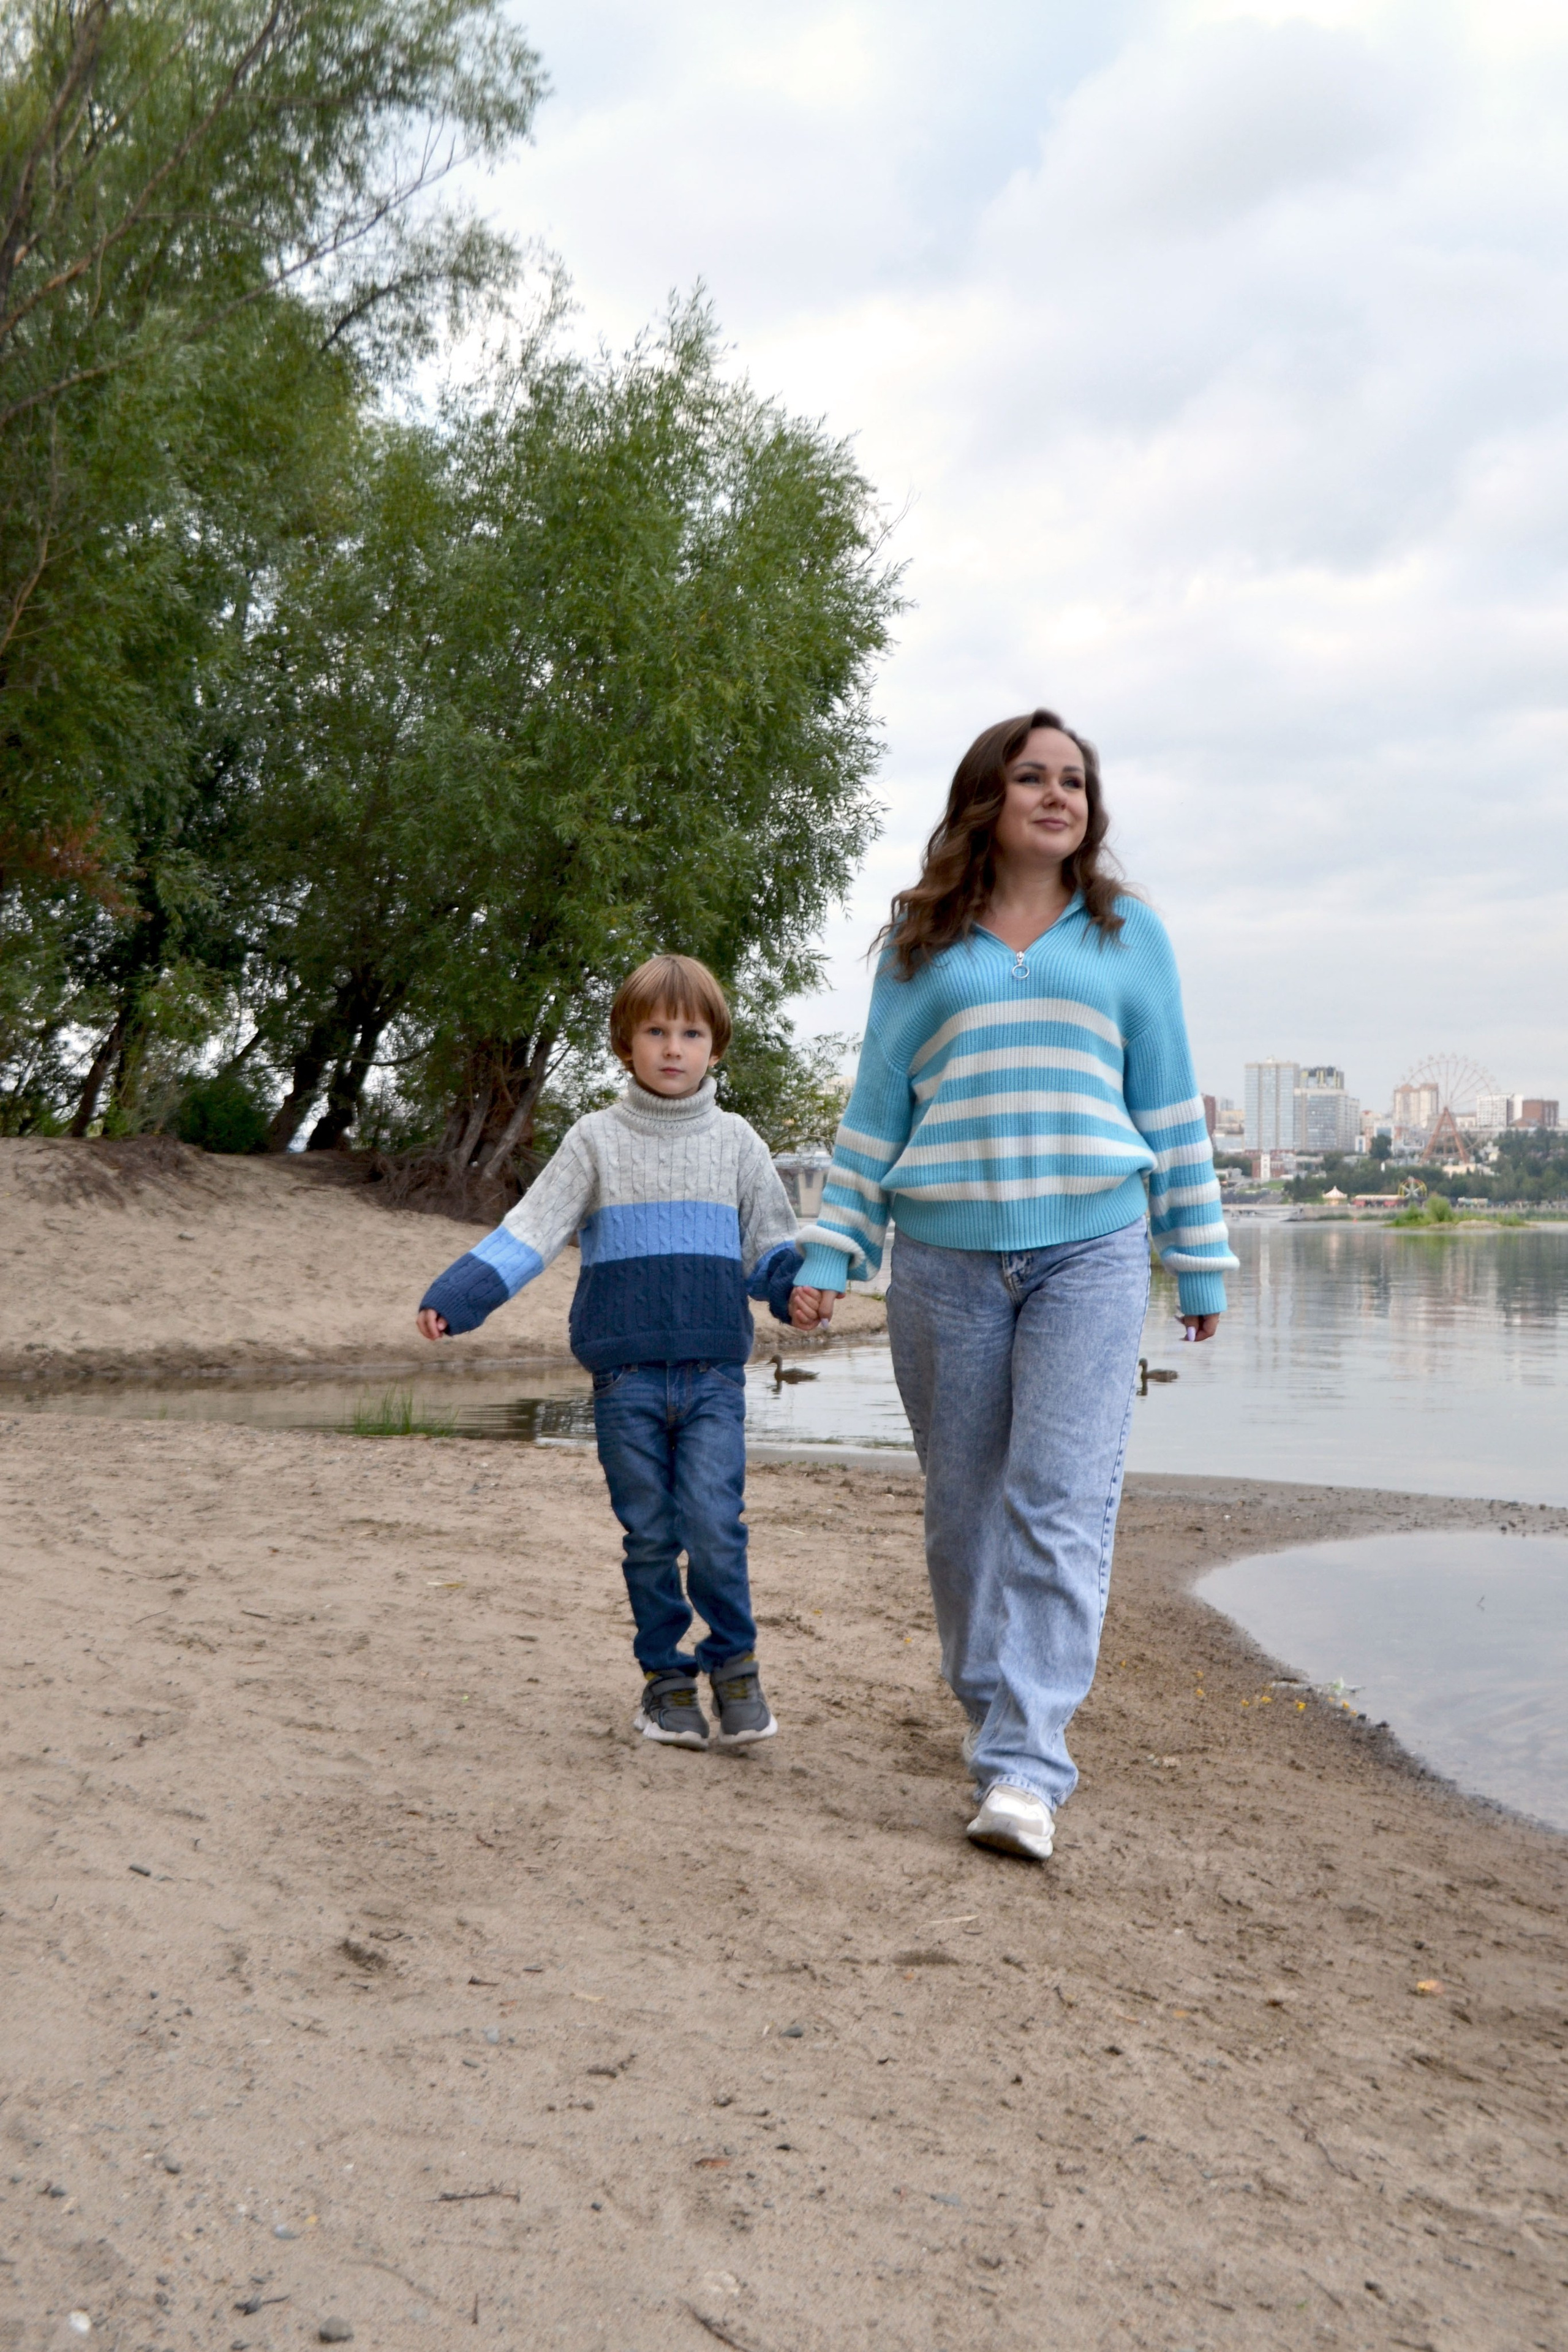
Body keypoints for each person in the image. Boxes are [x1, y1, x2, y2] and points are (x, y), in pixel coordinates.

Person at [789, 709, 1236, 1864]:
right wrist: (835, 1251)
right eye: (1031, 777)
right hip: (942, 1258)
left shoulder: (1128, 935)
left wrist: (1196, 1248)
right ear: (985, 798)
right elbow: (878, 1109)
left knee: (1060, 1499)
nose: (1057, 796)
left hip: (1092, 1248)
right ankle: (991, 1698)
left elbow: (1169, 1100)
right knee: (962, 1507)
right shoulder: (923, 941)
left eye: (1074, 782)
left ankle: (1029, 1766)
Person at [416, 954, 802, 1751]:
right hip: (623, 1379)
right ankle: (665, 1685)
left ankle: (735, 1673)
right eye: (654, 1031)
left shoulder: (737, 1142)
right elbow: (533, 1229)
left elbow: (772, 1246)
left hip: (712, 1376)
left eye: (690, 1032)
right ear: (625, 1045)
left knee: (715, 1526)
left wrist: (795, 1291)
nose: (673, 1047)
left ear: (715, 1047)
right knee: (652, 1536)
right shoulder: (595, 1140)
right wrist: (461, 1296)